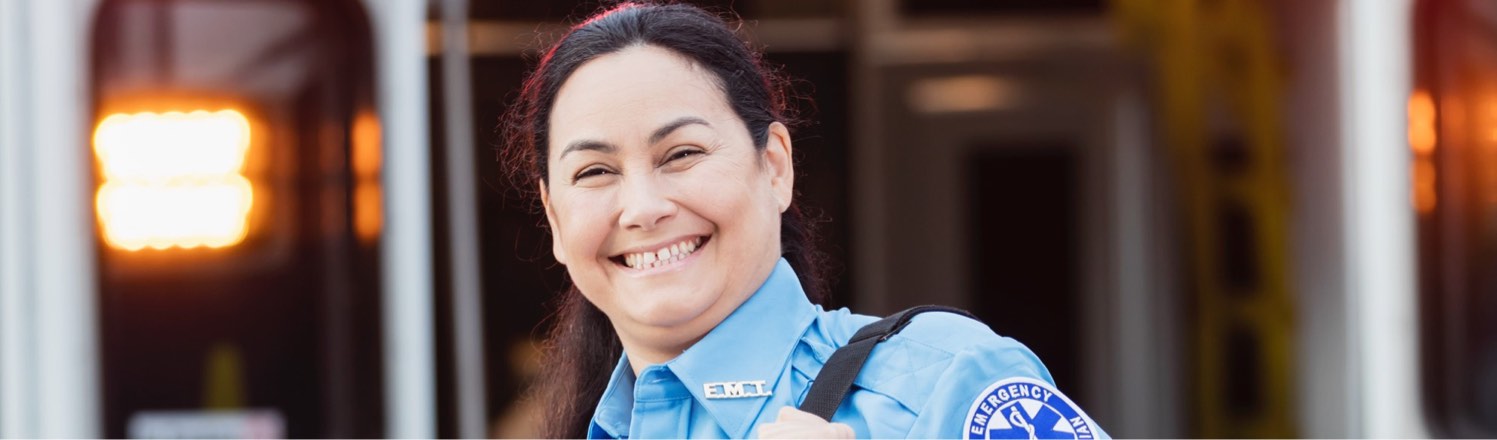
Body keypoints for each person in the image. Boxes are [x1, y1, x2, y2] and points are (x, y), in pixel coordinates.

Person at [502, 2, 1109, 438]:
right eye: (594, 172)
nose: (642, 207)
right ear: (554, 217)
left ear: (774, 167)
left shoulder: (947, 384)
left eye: (681, 154)